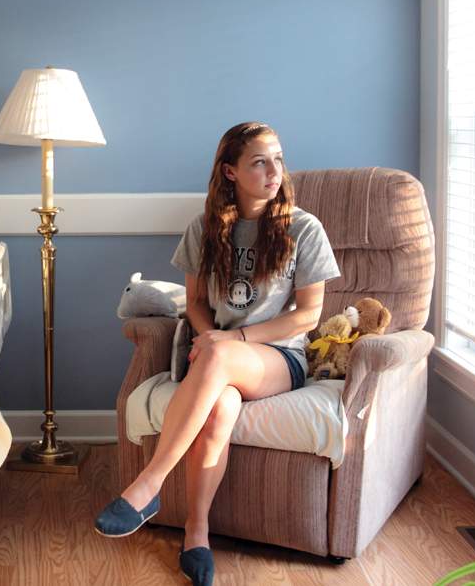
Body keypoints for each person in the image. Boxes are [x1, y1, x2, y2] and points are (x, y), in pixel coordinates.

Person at [94, 122, 340, 585]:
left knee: (220, 360)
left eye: (278, 159)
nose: (274, 172)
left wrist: (230, 342)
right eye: (259, 162)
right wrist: (209, 337)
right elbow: (195, 304)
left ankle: (148, 485)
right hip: (218, 360)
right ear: (230, 171)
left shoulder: (303, 228)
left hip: (278, 359)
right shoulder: (205, 229)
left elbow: (308, 315)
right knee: (219, 409)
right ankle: (197, 535)